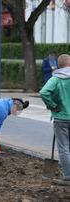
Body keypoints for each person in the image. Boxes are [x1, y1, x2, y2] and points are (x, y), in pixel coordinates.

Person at [40, 54, 70, 186]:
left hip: (61, 118)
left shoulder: (56, 78)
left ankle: (68, 177)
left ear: (59, 65)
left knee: (64, 148)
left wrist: (52, 105)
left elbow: (44, 92)